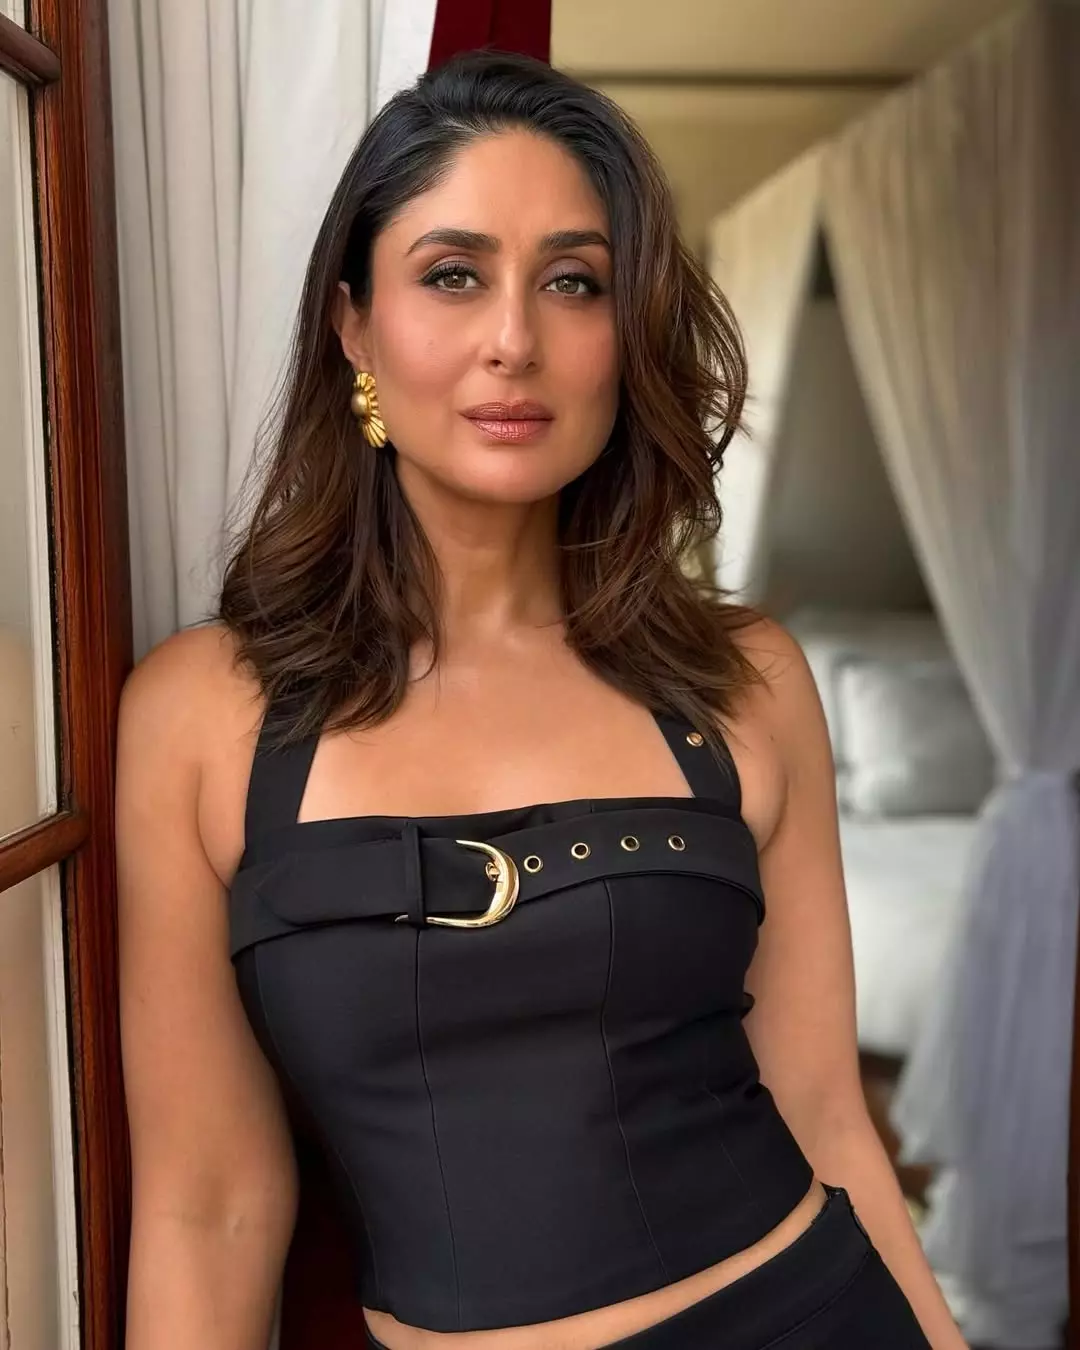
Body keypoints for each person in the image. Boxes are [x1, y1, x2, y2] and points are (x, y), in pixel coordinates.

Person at [115, 49, 967, 1350]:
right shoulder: (203, 713)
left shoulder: (743, 679)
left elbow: (827, 1110)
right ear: (354, 326)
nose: (514, 339)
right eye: (452, 274)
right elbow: (208, 1207)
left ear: (626, 336)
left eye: (573, 282)